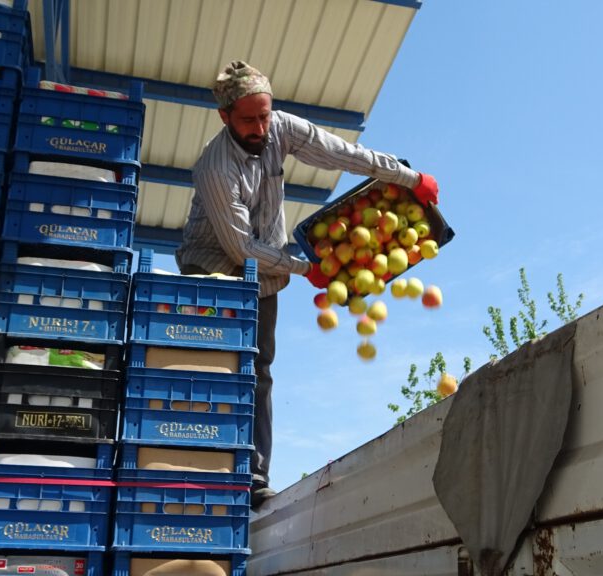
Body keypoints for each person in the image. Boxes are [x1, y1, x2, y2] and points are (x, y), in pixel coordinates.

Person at [176, 60, 440, 510]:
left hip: (265, 271)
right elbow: (240, 247)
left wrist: (407, 177)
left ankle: (254, 477)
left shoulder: (280, 128)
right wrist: (304, 269)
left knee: (259, 370)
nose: (260, 127)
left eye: (264, 115)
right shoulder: (216, 168)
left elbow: (340, 153)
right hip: (211, 268)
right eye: (248, 120)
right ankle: (199, 464)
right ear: (224, 117)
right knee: (214, 367)